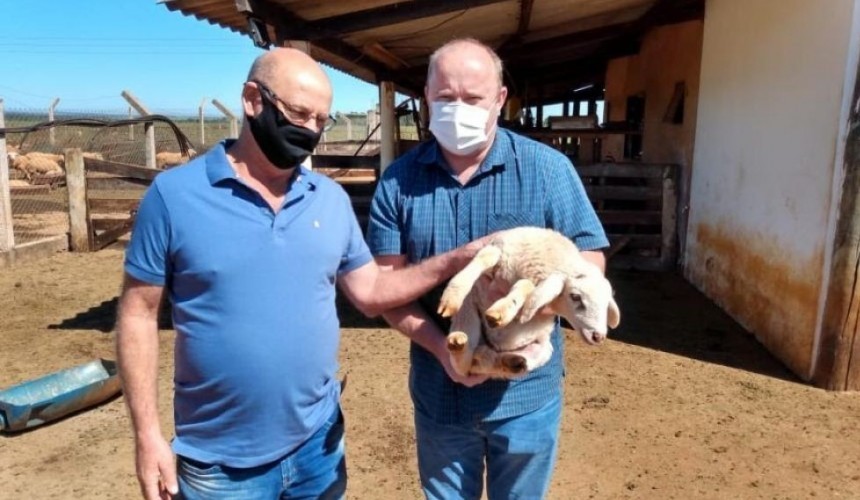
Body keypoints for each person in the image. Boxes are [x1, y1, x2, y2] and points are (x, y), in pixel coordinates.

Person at [116, 47, 487, 500]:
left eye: (320, 120)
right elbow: (137, 315)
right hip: (220, 462)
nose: (309, 129)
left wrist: (455, 260)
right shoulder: (174, 196)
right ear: (253, 99)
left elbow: (370, 292)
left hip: (318, 446)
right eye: (298, 113)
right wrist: (147, 434)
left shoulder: (327, 199)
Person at [367, 38, 610, 499]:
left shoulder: (548, 171)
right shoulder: (398, 183)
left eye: (473, 98)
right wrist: (443, 349)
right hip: (441, 394)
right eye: (445, 98)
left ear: (500, 99)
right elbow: (384, 290)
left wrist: (544, 298)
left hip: (526, 397)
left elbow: (590, 261)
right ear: (426, 97)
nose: (458, 109)